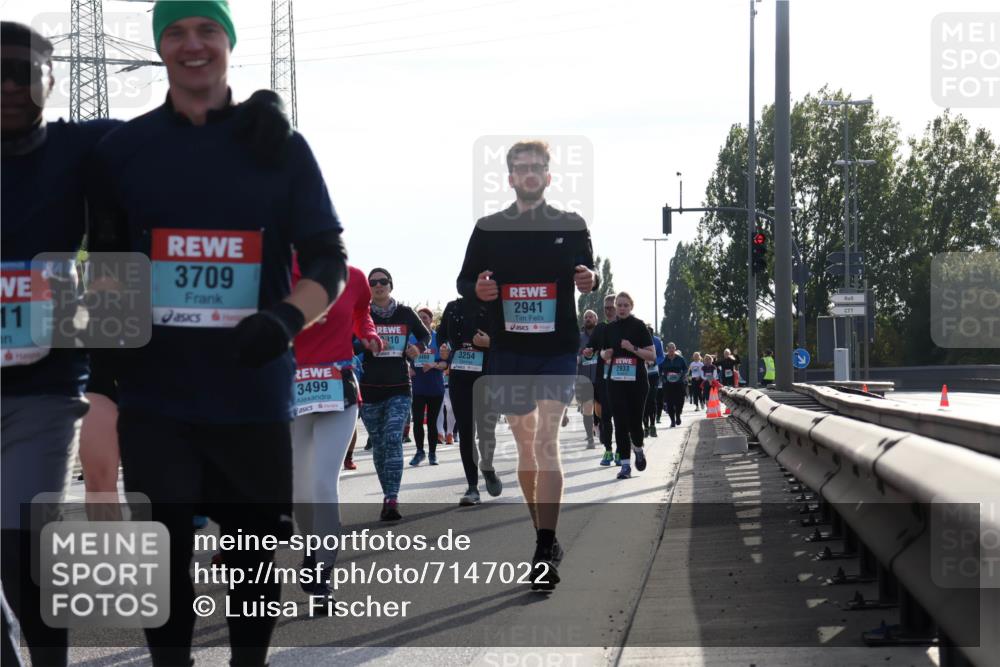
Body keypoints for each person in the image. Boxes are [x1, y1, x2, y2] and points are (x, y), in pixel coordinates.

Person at [86, 3, 348, 664]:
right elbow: (104, 273)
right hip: (156, 398)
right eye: (175, 32)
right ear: (159, 47)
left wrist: (284, 320)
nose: (192, 44)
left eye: (207, 29)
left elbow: (329, 261)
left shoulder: (278, 147)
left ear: (229, 40)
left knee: (253, 556)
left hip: (251, 395)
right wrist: (103, 391)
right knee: (164, 551)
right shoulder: (123, 152)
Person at [1, 21, 120, 666]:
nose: (9, 86)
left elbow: (177, 139)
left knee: (22, 548)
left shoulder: (83, 146)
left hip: (42, 389)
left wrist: (248, 124)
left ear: (51, 79)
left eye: (24, 72)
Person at [457, 140, 599, 591]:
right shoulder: (489, 229)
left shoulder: (571, 225)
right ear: (511, 177)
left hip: (557, 348)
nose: (531, 173)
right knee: (524, 447)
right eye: (522, 167)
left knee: (546, 441)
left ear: (549, 176)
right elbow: (464, 280)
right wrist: (476, 289)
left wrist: (591, 279)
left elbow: (590, 273)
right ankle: (544, 533)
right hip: (510, 350)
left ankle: (543, 547)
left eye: (538, 166)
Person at [291, 263, 379, 598]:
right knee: (299, 487)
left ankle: (322, 570)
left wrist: (368, 334)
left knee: (324, 482)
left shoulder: (353, 277)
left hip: (338, 389)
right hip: (292, 390)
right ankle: (311, 547)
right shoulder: (276, 274)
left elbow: (361, 312)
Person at [359, 268, 430, 520]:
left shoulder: (405, 313)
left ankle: (392, 498)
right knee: (379, 446)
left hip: (399, 386)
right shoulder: (361, 314)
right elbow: (349, 343)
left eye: (383, 281)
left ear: (391, 285)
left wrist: (418, 347)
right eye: (373, 282)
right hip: (369, 389)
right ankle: (387, 493)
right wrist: (365, 344)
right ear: (368, 287)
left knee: (392, 438)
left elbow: (426, 335)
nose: (378, 285)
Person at [439, 296, 499, 504]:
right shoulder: (453, 307)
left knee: (486, 431)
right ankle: (472, 487)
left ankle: (487, 468)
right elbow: (441, 336)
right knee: (465, 432)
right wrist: (444, 349)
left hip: (487, 377)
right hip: (459, 378)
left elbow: (510, 340)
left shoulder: (494, 306)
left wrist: (490, 342)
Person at [599, 292, 655, 480]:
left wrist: (632, 348)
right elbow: (602, 353)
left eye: (625, 305)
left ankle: (638, 448)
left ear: (631, 307)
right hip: (615, 382)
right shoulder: (609, 329)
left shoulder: (639, 326)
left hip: (637, 382)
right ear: (615, 307)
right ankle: (625, 465)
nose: (622, 308)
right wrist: (605, 354)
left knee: (635, 423)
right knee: (620, 423)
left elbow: (652, 355)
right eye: (619, 305)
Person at [409, 306, 446, 466]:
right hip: (418, 386)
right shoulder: (411, 338)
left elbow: (446, 363)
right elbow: (404, 357)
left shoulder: (439, 338)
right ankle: (419, 452)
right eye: (419, 318)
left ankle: (432, 453)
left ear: (431, 320)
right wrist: (408, 367)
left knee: (432, 422)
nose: (422, 320)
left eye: (425, 317)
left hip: (435, 386)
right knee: (417, 421)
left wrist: (434, 365)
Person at [583, 294, 618, 465]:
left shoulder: (627, 327)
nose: (608, 311)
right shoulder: (600, 329)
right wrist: (588, 352)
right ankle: (608, 450)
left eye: (611, 307)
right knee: (605, 417)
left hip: (623, 378)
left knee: (621, 417)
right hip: (603, 378)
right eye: (606, 308)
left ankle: (621, 450)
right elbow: (590, 348)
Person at [575, 310, 600, 448]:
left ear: (596, 319)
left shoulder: (601, 334)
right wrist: (579, 357)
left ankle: (601, 428)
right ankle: (590, 439)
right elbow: (573, 354)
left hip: (600, 377)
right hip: (584, 378)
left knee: (601, 408)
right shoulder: (579, 337)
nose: (588, 319)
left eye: (590, 316)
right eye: (586, 317)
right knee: (587, 408)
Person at [642, 325, 664, 438]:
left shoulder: (657, 341)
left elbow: (661, 356)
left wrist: (654, 362)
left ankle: (652, 425)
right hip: (641, 374)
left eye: (649, 334)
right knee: (643, 401)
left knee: (652, 400)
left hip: (654, 374)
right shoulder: (638, 339)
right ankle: (645, 426)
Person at [660, 342, 688, 427]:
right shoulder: (663, 359)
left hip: (679, 383)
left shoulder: (680, 359)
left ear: (675, 349)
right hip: (668, 384)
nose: (671, 349)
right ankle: (672, 421)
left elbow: (685, 369)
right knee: (669, 403)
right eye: (669, 348)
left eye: (673, 348)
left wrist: (681, 376)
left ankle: (678, 416)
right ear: (667, 349)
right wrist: (663, 378)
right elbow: (660, 370)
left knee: (680, 401)